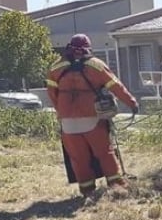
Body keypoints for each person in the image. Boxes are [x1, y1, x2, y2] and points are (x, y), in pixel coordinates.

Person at [46, 34, 139, 203]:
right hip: (93, 118)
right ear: (88, 47)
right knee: (105, 153)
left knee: (79, 158)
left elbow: (53, 95)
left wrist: (62, 111)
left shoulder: (55, 68)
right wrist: (131, 103)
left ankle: (88, 191)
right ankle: (117, 187)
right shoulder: (96, 65)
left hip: (68, 123)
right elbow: (116, 86)